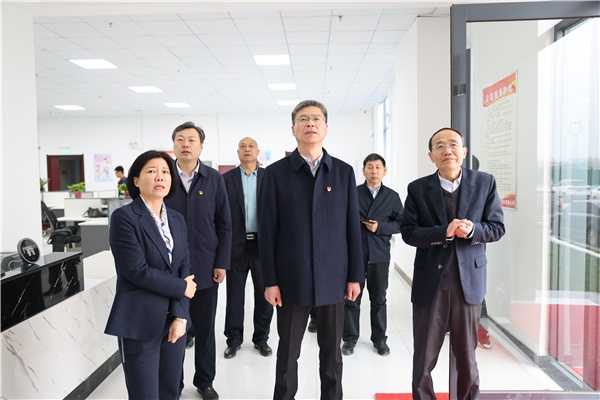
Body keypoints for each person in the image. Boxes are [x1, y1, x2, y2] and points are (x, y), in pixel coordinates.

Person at [258, 100, 363, 400]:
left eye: (316, 118)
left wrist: (355, 276)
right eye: (303, 119)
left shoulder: (342, 172)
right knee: (288, 355)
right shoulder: (275, 174)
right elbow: (268, 232)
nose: (310, 123)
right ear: (293, 129)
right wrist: (270, 281)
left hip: (334, 278)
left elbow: (352, 229)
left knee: (332, 356)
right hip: (291, 278)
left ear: (326, 128)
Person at [400, 128, 505, 400]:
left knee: (467, 359)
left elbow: (497, 227)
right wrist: (442, 232)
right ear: (431, 156)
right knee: (424, 360)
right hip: (430, 286)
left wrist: (473, 231)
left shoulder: (485, 182)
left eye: (453, 144)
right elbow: (408, 232)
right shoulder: (418, 188)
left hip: (467, 284)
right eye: (440, 146)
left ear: (464, 151)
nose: (447, 150)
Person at [105, 150, 197, 400]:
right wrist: (181, 288)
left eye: (165, 171)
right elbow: (137, 270)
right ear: (136, 180)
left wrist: (181, 315)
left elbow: (184, 267)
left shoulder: (177, 219)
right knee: (144, 394)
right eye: (151, 171)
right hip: (140, 320)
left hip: (174, 320)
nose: (160, 176)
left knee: (170, 391)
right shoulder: (124, 218)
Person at [164, 122, 232, 400]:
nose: (186, 144)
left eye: (192, 140)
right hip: (170, 270)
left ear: (201, 146)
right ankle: (174, 384)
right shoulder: (164, 176)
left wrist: (221, 262)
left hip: (205, 267)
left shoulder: (214, 179)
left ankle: (205, 381)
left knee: (204, 329)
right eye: (180, 139)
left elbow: (224, 224)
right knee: (173, 329)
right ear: (173, 145)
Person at [342, 153, 403, 357]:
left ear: (384, 171)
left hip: (379, 255)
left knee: (379, 300)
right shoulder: (352, 192)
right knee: (351, 299)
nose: (374, 171)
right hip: (355, 254)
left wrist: (380, 227)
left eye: (378, 167)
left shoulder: (392, 197)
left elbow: (401, 223)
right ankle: (349, 339)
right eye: (370, 167)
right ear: (363, 171)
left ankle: (379, 340)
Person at [222, 137, 273, 359]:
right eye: (242, 146)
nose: (247, 149)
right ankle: (233, 340)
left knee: (265, 295)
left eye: (251, 146)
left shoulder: (269, 177)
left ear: (258, 151)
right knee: (234, 297)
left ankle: (261, 339)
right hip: (236, 246)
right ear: (238, 152)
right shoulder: (226, 179)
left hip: (263, 246)